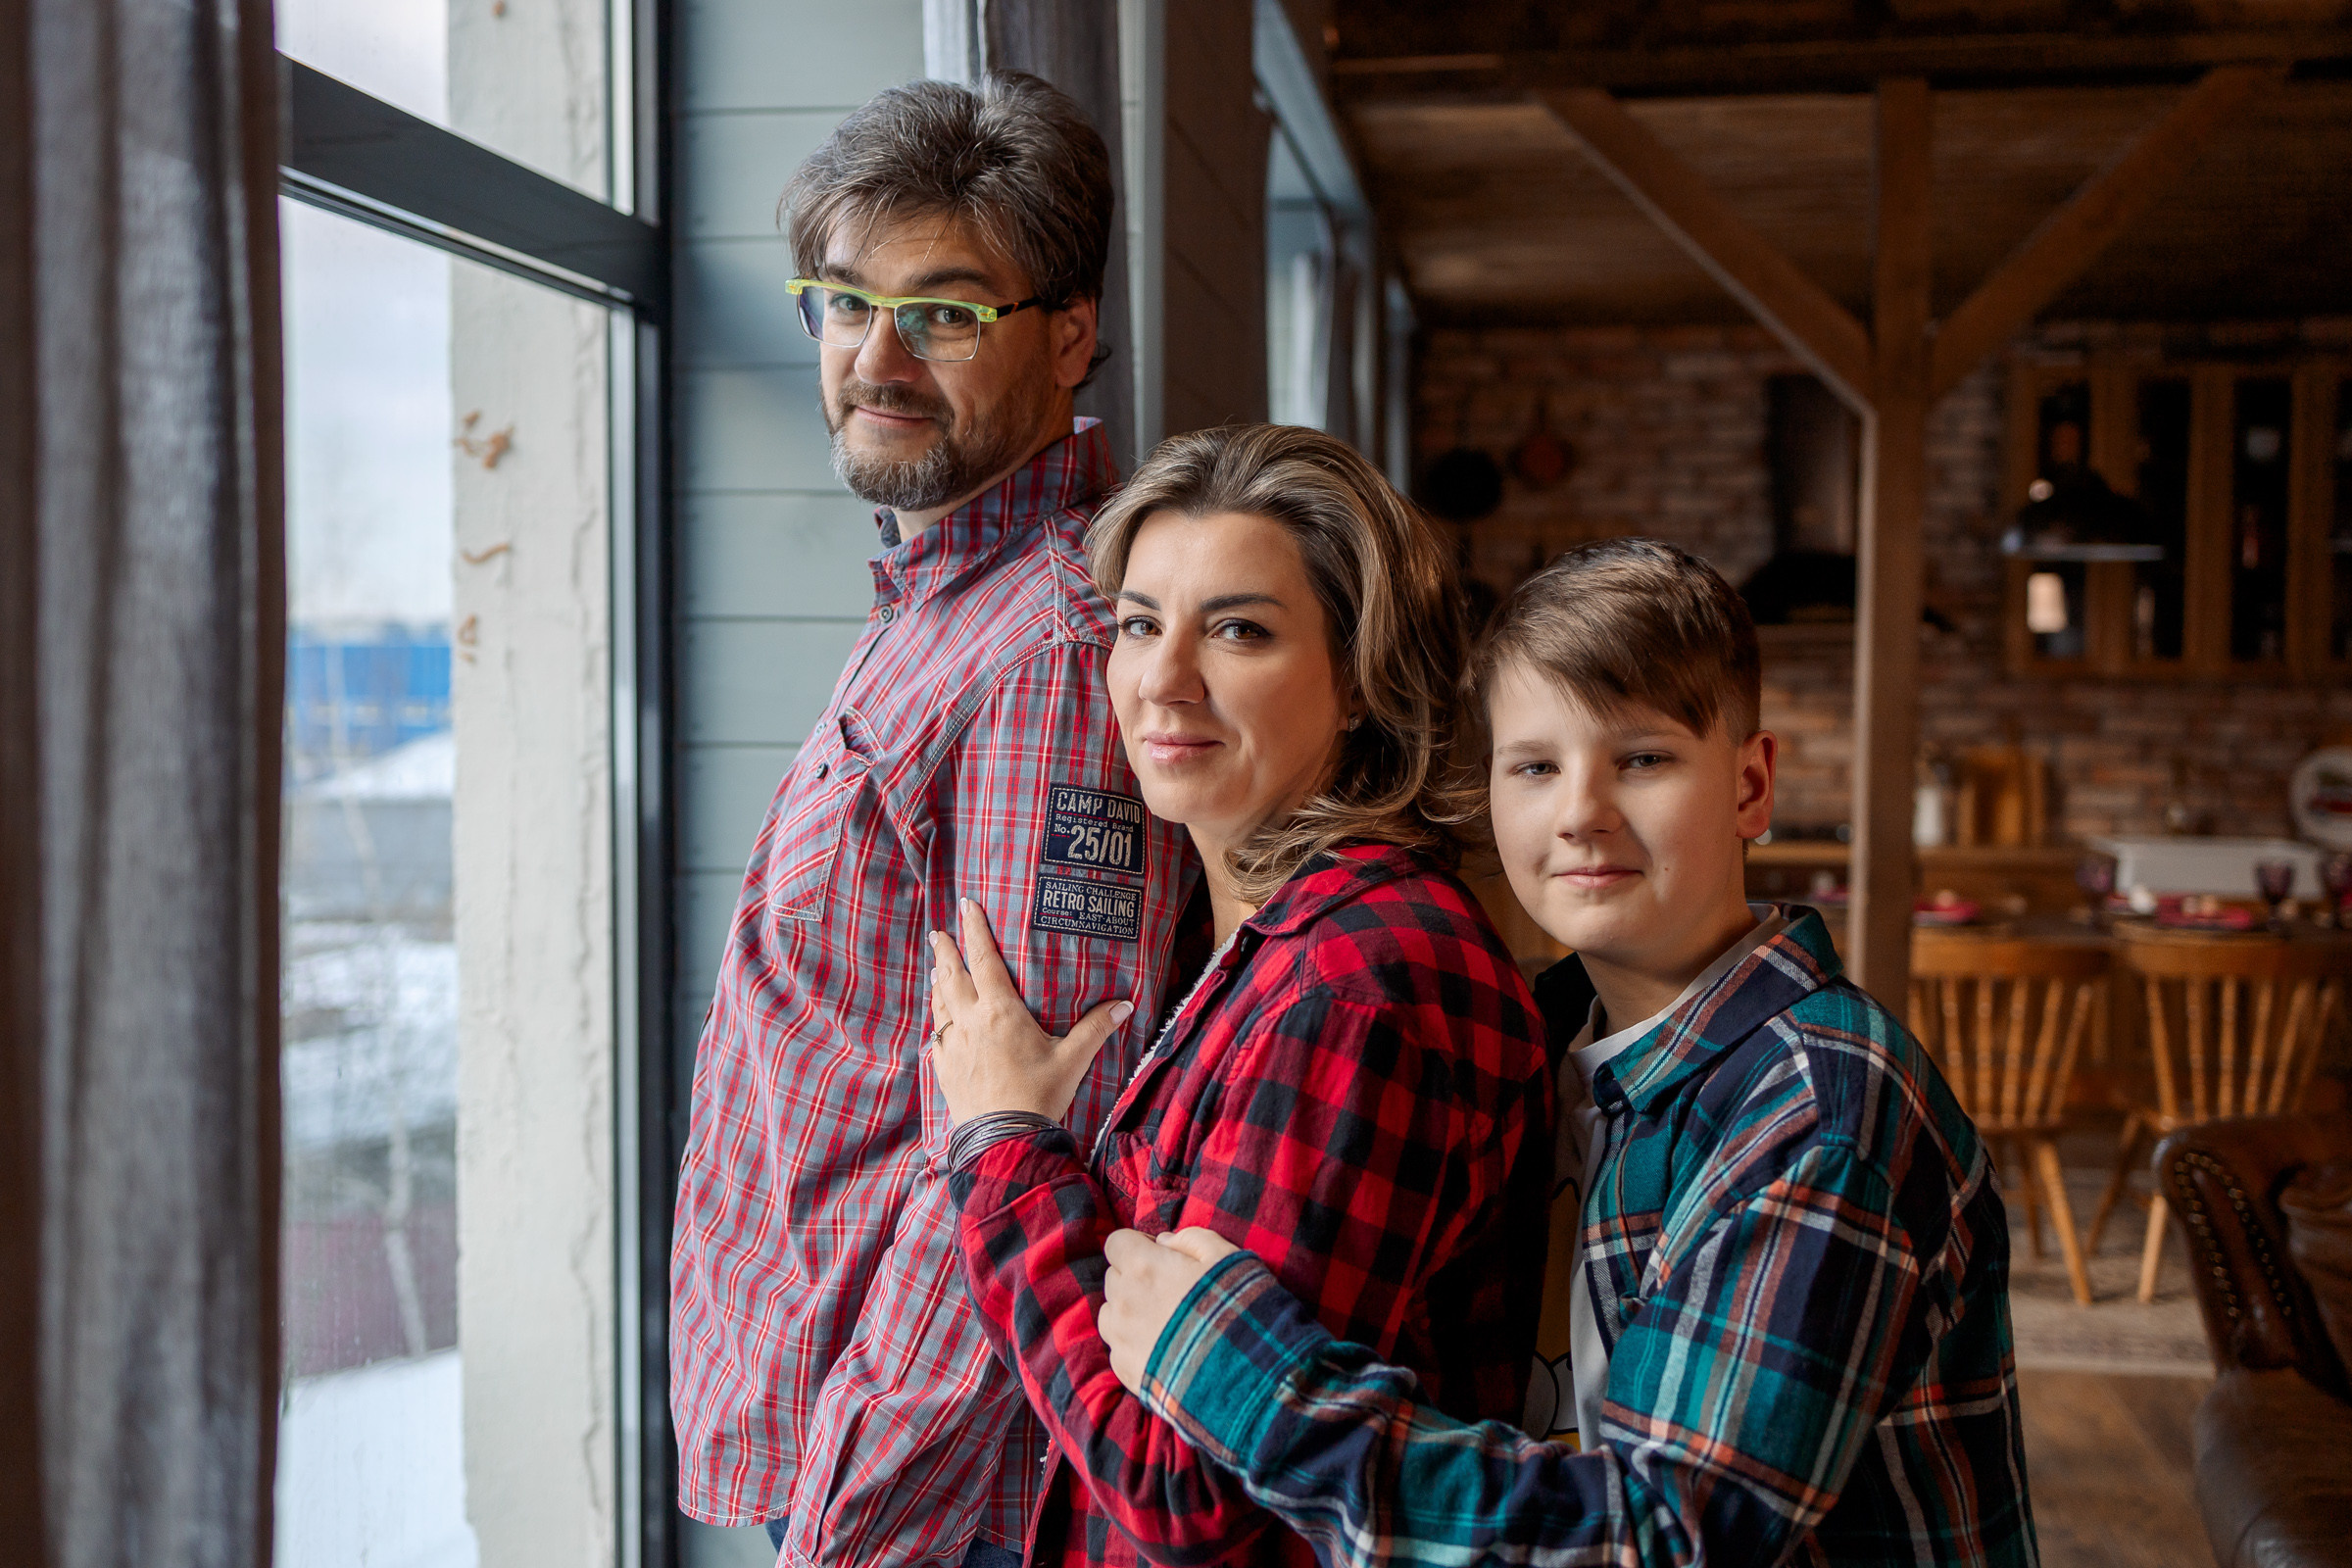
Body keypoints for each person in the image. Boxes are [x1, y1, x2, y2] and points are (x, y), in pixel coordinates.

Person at [1093, 540, 2038, 1567]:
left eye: (1642, 759)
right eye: (1536, 767)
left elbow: (1667, 1538)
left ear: (1751, 786)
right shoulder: (1537, 1033)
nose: (1582, 813)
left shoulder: (1821, 1109)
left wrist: (1242, 1379)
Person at [667, 74, 1200, 1568]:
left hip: (906, 1482)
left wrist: (856, 1529)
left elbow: (1022, 1139)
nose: (875, 356)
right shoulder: (935, 599)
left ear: (1070, 337)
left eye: (945, 313)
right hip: (827, 1419)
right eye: (842, 301)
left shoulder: (1044, 653)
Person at [924, 424, 1555, 1567]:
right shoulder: (1235, 948)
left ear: (1362, 676)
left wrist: (1004, 1144)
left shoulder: (1356, 985)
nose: (1163, 680)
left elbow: (1184, 1486)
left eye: (1238, 630)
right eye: (1136, 624)